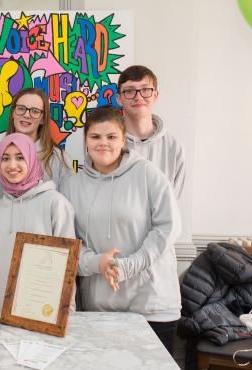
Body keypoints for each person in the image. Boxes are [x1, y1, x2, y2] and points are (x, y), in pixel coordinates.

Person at [59, 106, 181, 355]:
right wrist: (97, 263)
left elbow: (167, 229)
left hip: (152, 307)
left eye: (111, 136)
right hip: (100, 309)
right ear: (85, 141)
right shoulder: (72, 186)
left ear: (124, 140)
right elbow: (69, 245)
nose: (103, 143)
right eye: (95, 137)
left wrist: (127, 266)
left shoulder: (148, 173)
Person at [0, 133, 76, 308]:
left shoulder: (56, 205)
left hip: (39, 317)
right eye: (5, 158)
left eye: (20, 157)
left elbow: (67, 270)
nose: (12, 165)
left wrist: (67, 313)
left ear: (32, 160)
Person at [0, 88, 73, 203]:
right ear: (13, 113)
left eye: (35, 111)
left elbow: (67, 206)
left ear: (43, 118)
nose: (27, 115)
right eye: (21, 109)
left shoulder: (59, 158)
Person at [117, 65, 185, 198]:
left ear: (155, 95)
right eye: (130, 91)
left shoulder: (173, 147)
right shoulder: (107, 143)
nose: (138, 97)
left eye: (145, 90)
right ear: (119, 99)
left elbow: (172, 202)